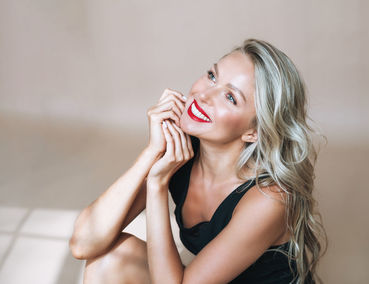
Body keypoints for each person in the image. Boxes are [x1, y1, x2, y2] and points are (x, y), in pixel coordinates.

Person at [69, 38, 327, 284]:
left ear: (254, 132)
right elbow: (83, 243)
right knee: (107, 260)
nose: (204, 95)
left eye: (230, 97)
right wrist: (151, 153)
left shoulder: (269, 199)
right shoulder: (182, 151)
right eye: (212, 76)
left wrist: (158, 184)